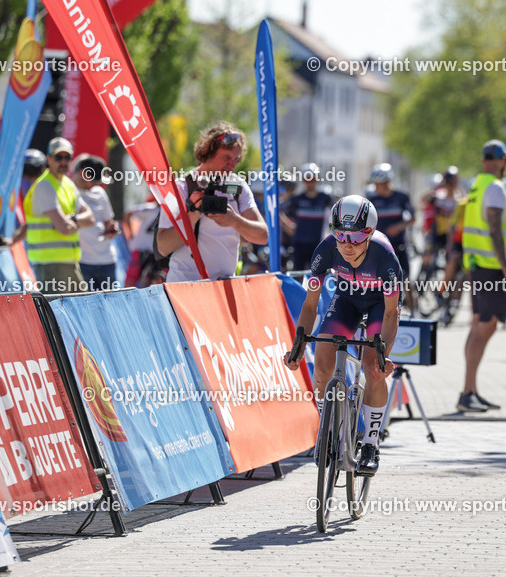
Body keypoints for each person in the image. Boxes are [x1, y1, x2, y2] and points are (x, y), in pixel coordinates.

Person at [286, 195, 401, 477]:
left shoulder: (385, 258)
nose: (347, 246)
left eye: (356, 238)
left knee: (373, 368)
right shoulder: (325, 250)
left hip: (378, 308)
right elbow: (311, 304)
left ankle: (371, 445)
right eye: (341, 237)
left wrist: (384, 354)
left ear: (369, 234)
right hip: (346, 301)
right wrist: (299, 344)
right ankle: (325, 426)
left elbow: (390, 314)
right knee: (323, 361)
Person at [155, 123, 268, 282]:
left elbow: (263, 236)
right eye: (226, 158)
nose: (232, 165)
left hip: (224, 287)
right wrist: (193, 215)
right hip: (184, 287)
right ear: (208, 152)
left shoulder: (238, 187)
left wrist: (234, 220)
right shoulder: (182, 187)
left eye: (236, 159)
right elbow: (163, 247)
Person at [457, 140, 506, 412]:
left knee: (479, 327)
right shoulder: (495, 187)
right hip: (491, 269)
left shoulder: (477, 185)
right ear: (501, 160)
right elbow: (495, 230)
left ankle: (470, 389)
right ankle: (466, 392)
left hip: (478, 266)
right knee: (485, 328)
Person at [23, 137, 94, 292]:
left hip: (68, 263)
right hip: (50, 266)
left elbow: (91, 218)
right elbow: (65, 228)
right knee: (61, 314)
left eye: (67, 157)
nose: (63, 162)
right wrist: (76, 222)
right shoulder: (44, 185)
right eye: (58, 157)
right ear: (48, 159)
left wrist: (74, 219)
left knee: (80, 310)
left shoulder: (67, 184)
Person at [367, 162, 415, 310]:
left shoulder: (401, 197)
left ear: (387, 182)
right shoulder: (373, 199)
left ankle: (414, 312)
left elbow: (413, 217)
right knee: (376, 280)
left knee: (406, 279)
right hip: (379, 247)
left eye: (378, 184)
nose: (375, 187)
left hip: (399, 245)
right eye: (374, 184)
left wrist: (398, 226)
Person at [72, 155, 120, 291]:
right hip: (83, 262)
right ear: (82, 173)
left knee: (110, 305)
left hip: (107, 260)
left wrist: (112, 229)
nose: (95, 184)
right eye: (93, 180)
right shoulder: (69, 193)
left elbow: (108, 222)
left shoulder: (100, 193)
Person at [280, 162, 333, 271]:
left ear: (317, 179)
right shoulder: (297, 199)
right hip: (299, 244)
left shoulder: (325, 198)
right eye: (307, 179)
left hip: (318, 244)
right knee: (298, 274)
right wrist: (288, 226)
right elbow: (279, 210)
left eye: (312, 179)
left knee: (318, 274)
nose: (310, 182)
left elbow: (335, 213)